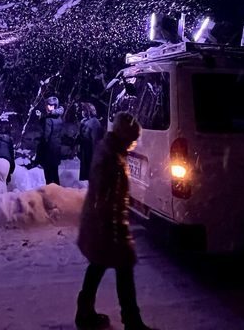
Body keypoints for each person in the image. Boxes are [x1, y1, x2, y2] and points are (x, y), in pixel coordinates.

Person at [75, 111, 155, 330]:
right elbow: (104, 197)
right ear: (124, 136)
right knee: (123, 270)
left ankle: (85, 312)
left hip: (103, 224)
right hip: (107, 225)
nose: (133, 144)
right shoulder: (111, 158)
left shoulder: (111, 152)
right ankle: (131, 321)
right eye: (132, 139)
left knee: (100, 265)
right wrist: (112, 226)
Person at [35, 96, 64, 186]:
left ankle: (50, 196)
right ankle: (59, 193)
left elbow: (46, 136)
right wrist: (41, 117)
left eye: (51, 105)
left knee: (48, 175)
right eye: (47, 105)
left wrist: (40, 148)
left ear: (55, 106)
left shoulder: (48, 119)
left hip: (48, 150)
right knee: (55, 173)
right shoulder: (59, 118)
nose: (48, 107)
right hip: (56, 149)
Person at [77, 102, 104, 181]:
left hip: (90, 153)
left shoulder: (94, 123)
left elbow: (96, 141)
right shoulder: (84, 121)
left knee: (91, 175)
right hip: (85, 152)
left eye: (84, 110)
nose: (82, 112)